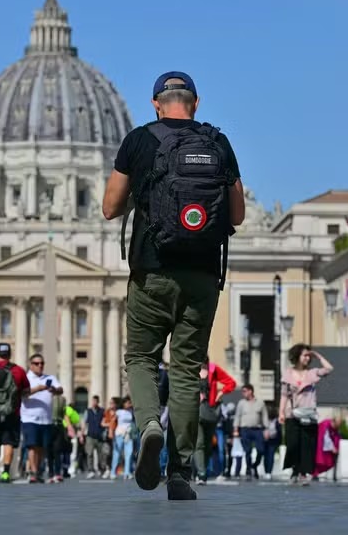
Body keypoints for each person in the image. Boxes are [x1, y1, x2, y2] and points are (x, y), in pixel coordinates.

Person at [103, 71, 245, 500]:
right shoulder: (218, 143)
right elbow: (237, 215)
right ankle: (180, 471)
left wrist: (143, 192)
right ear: (196, 103)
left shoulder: (139, 140)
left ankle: (149, 423)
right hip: (202, 275)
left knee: (141, 358)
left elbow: (110, 207)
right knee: (186, 371)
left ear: (155, 104)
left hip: (152, 271)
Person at [278, 344, 333, 485]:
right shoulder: (288, 374)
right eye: (305, 355)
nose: (307, 358)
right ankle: (294, 470)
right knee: (293, 444)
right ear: (297, 356)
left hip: (308, 414)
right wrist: (281, 412)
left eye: (309, 356)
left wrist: (318, 356)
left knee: (307, 445)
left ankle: (303, 473)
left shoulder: (312, 373)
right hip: (292, 414)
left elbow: (329, 369)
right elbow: (284, 395)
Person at [0, 342, 30, 483]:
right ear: (10, 354)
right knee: (8, 443)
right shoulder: (18, 371)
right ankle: (6, 472)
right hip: (11, 412)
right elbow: (26, 390)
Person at [20, 353, 62, 483]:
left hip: (46, 419)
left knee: (41, 447)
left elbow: (60, 390)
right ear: (31, 365)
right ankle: (33, 472)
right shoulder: (26, 378)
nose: (40, 366)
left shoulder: (50, 378)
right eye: (37, 363)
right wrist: (38, 388)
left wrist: (54, 390)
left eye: (42, 363)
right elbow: (22, 393)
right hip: (29, 418)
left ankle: (37, 470)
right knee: (32, 445)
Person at [194, 360, 236, 484]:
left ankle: (203, 470)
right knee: (199, 443)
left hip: (211, 412)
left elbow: (231, 383)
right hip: (195, 411)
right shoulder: (190, 368)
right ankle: (201, 473)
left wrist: (221, 392)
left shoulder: (213, 369)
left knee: (208, 445)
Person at [233, 383, 269, 480]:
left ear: (250, 391)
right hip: (245, 429)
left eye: (245, 391)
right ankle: (248, 469)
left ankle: (255, 465)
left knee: (261, 450)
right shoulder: (241, 403)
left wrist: (266, 429)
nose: (243, 393)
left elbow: (264, 416)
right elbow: (237, 416)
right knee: (247, 451)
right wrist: (236, 429)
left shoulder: (260, 402)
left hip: (257, 429)